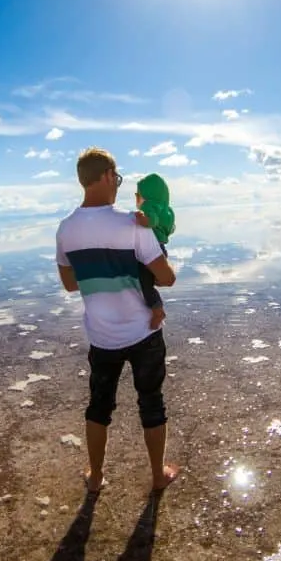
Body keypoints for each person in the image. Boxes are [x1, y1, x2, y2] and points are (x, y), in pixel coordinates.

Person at [55, 147, 179, 493]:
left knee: (99, 406)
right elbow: (166, 278)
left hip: (102, 337)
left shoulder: (65, 230)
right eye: (118, 178)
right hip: (145, 332)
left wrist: (98, 266)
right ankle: (157, 476)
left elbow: (69, 284)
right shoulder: (131, 224)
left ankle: (95, 477)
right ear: (109, 176)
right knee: (151, 402)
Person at [133, 172, 175, 330]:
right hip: (161, 250)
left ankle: (157, 310)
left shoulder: (148, 206)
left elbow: (152, 220)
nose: (136, 198)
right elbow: (168, 229)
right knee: (151, 281)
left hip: (151, 249)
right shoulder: (167, 210)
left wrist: (141, 219)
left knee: (145, 284)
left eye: (138, 195)